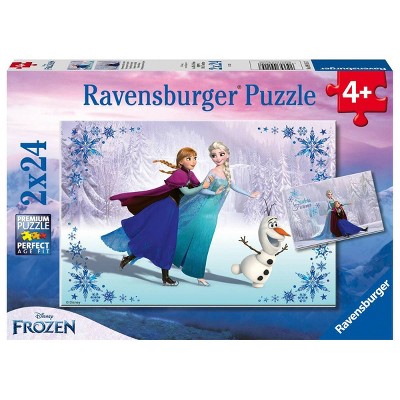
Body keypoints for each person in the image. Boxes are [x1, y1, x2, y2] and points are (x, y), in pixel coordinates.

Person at [101, 147, 212, 286]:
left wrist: (213, 191)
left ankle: (134, 261)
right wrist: (202, 187)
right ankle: (162, 275)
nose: (193, 161)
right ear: (180, 162)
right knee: (160, 239)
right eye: (188, 158)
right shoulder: (179, 174)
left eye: (195, 158)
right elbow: (188, 192)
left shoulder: (190, 174)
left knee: (164, 240)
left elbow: (199, 188)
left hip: (172, 210)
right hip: (165, 209)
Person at [173, 141, 260, 286]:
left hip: (212, 213)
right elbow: (202, 188)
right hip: (204, 211)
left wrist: (249, 194)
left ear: (227, 155)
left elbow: (233, 186)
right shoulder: (213, 172)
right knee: (201, 240)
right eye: (214, 155)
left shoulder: (227, 172)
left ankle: (176, 258)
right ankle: (197, 274)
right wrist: (214, 192)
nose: (217, 158)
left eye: (221, 154)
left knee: (196, 236)